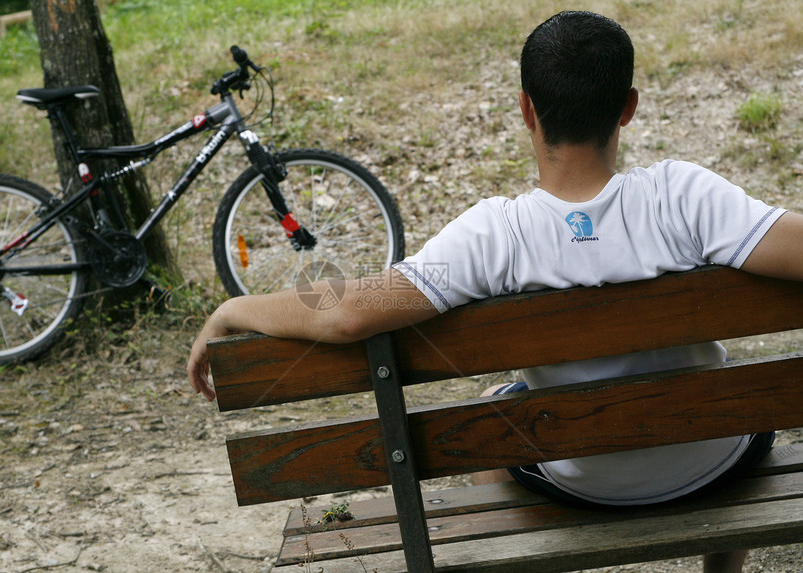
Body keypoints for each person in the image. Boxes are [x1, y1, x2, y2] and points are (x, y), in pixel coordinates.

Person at [188, 11, 803, 573]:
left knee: (494, 410)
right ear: (629, 107)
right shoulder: (686, 197)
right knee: (735, 393)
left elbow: (348, 312)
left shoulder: (496, 233)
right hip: (715, 461)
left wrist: (236, 307)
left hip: (581, 481)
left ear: (526, 110)